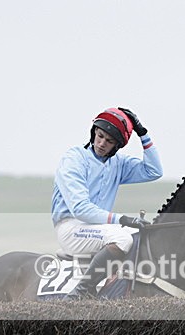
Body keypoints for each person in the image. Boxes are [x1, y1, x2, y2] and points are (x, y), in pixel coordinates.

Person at [51, 107, 163, 298]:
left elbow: (154, 171)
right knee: (123, 238)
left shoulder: (117, 163)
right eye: (100, 135)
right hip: (71, 227)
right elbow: (81, 209)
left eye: (109, 141)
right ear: (94, 131)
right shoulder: (74, 159)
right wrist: (123, 219)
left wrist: (143, 134)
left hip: (98, 228)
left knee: (143, 234)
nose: (101, 143)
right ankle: (81, 292)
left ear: (117, 146)